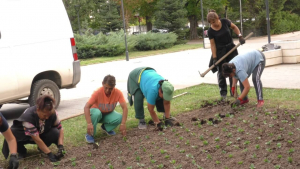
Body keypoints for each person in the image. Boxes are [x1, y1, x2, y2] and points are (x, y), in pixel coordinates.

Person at [2, 95, 64, 162]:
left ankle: (42, 148)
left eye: (48, 115)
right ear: (38, 110)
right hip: (23, 135)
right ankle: (22, 151)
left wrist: (61, 146)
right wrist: (49, 154)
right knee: (13, 134)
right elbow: (36, 139)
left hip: (40, 132)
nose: (47, 118)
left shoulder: (53, 113)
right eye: (45, 115)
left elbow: (60, 129)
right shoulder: (28, 118)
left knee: (55, 132)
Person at [207, 9, 246, 100]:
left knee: (232, 69)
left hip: (231, 49)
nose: (214, 24)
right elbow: (213, 45)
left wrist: (240, 36)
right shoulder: (210, 31)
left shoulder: (225, 21)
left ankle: (233, 91)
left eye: (214, 21)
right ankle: (223, 93)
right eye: (211, 23)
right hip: (220, 52)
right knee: (221, 72)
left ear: (217, 18)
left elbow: (234, 27)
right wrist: (215, 57)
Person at [84, 75, 128, 144]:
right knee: (97, 113)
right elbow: (86, 107)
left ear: (114, 86)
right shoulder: (97, 92)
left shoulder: (118, 93)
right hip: (96, 114)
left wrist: (123, 124)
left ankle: (105, 127)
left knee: (120, 118)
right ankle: (90, 134)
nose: (108, 90)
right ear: (102, 83)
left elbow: (125, 108)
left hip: (107, 114)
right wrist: (89, 123)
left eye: (110, 88)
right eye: (106, 87)